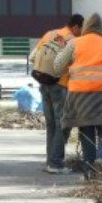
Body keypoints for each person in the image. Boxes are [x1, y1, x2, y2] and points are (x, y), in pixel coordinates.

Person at [54, 13, 102, 178]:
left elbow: (58, 67)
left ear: (85, 26)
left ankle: (90, 168)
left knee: (86, 129)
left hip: (79, 96)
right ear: (101, 28)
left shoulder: (74, 44)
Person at [29, 14, 84, 174]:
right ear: (76, 27)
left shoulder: (49, 34)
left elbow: (33, 57)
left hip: (43, 83)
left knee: (51, 124)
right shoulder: (73, 40)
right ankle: (56, 163)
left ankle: (50, 161)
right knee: (63, 124)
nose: (81, 33)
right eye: (81, 30)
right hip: (60, 85)